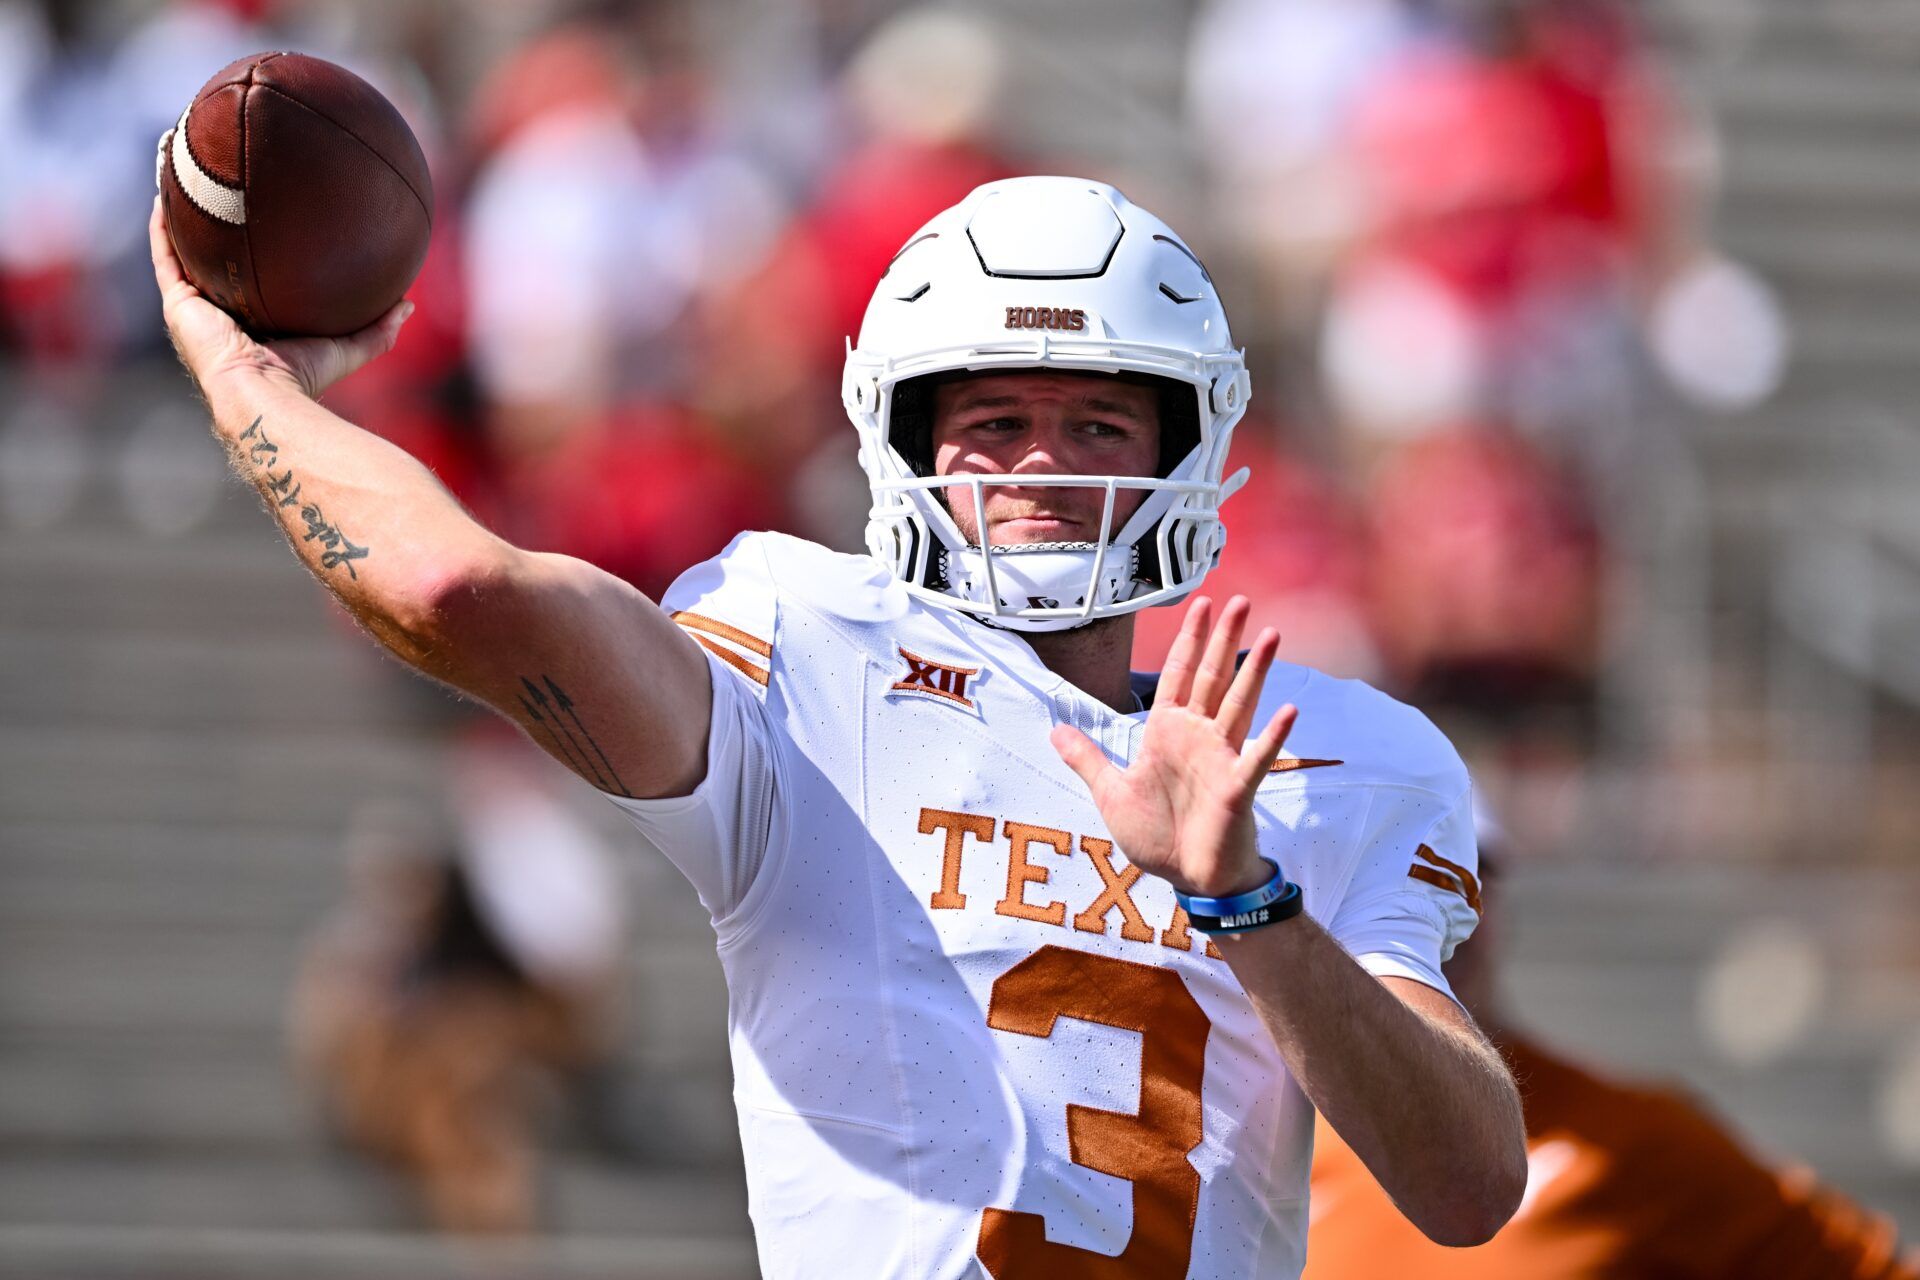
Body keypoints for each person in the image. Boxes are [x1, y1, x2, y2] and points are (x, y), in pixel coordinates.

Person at [151, 174, 1525, 1278]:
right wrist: (242, 380)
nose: (1042, 467)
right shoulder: (807, 652)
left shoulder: (1325, 756)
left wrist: (1249, 906)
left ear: (1186, 451)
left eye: (1100, 423)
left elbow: (1466, 1188)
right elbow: (458, 587)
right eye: (993, 419)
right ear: (908, 442)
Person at [1305, 810, 1920, 1280]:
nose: (1433, 915)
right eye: (1387, 881)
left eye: (1457, 878)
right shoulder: (1247, 1134)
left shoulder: (1636, 1142)